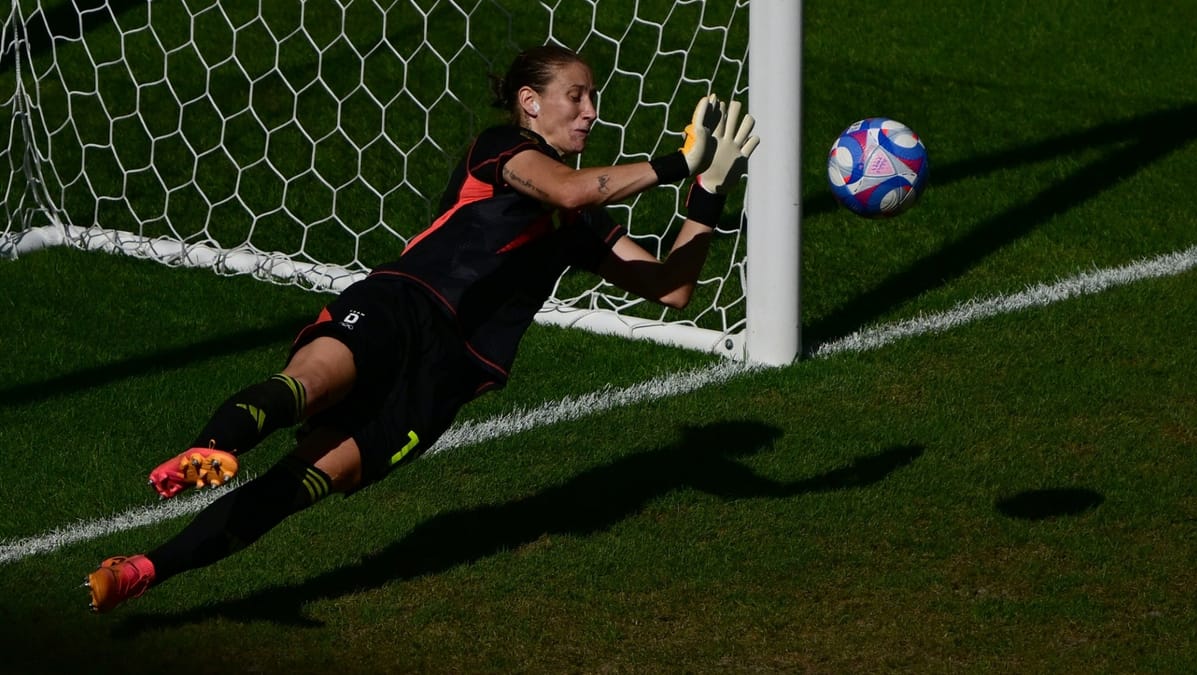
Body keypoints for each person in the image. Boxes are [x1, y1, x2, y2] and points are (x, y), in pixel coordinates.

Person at [84, 44, 759, 613]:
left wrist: (709, 190)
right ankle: (207, 448)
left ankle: (143, 569)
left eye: (594, 99)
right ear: (530, 101)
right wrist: (678, 162)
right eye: (577, 96)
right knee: (310, 383)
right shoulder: (503, 150)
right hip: (403, 304)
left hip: (447, 376)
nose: (591, 111)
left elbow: (671, 287)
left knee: (300, 484)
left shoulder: (581, 225)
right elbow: (569, 188)